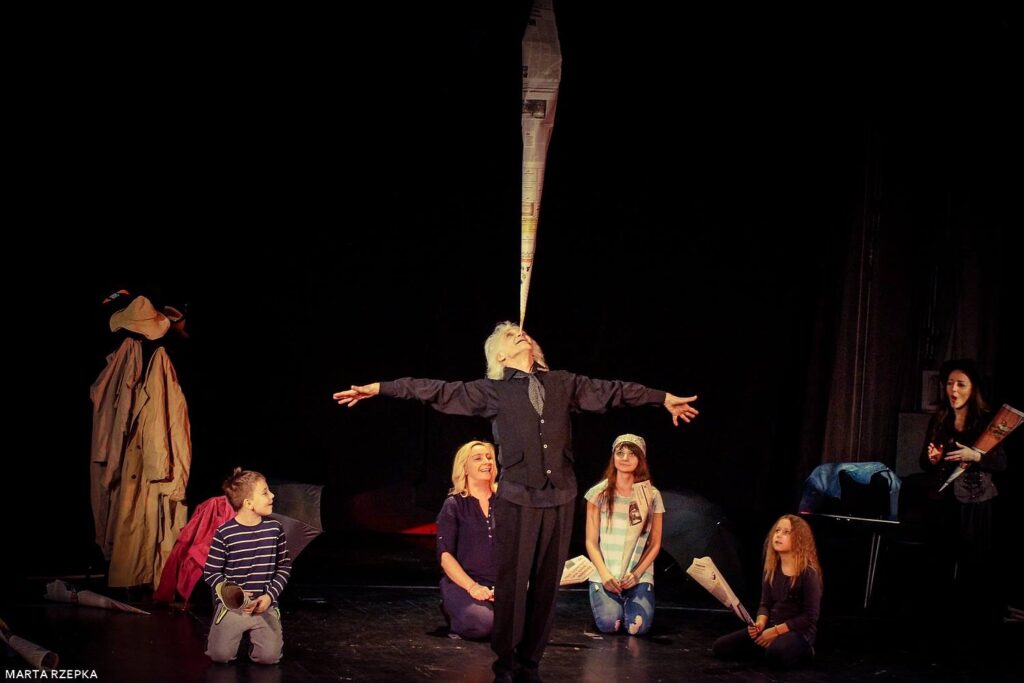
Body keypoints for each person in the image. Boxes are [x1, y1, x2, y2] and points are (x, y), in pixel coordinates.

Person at [334, 321, 698, 682]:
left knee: (546, 588)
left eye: (522, 332)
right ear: (500, 356)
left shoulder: (563, 383)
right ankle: (506, 666)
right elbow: (436, 391)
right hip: (517, 497)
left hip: (560, 496)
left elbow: (614, 391)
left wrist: (662, 397)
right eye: (511, 336)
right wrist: (380, 388)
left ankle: (530, 664)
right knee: (513, 584)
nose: (521, 334)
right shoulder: (493, 391)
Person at [919, 358, 1007, 622]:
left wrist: (976, 456)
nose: (953, 390)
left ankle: (973, 622)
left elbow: (1001, 462)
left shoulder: (986, 421)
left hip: (976, 500)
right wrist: (933, 459)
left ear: (973, 389)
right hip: (943, 500)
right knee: (939, 561)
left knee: (974, 563)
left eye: (960, 384)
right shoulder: (940, 419)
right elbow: (925, 462)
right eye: (949, 384)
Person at [203, 468, 292, 665]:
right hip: (234, 606)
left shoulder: (275, 529)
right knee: (220, 655)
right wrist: (234, 594)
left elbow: (284, 567)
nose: (272, 495)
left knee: (269, 658)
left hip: (264, 605)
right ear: (248, 503)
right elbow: (211, 572)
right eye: (265, 492)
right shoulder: (225, 533)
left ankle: (258, 638)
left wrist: (269, 596)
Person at [712, 514, 822, 668]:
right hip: (771, 627)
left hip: (797, 632)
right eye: (777, 531)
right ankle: (768, 647)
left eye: (786, 532)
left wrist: (775, 632)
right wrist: (760, 623)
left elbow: (810, 616)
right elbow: (765, 604)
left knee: (776, 655)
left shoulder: (808, 572)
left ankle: (803, 651)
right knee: (720, 647)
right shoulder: (771, 570)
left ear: (799, 539)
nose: (779, 535)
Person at [583, 433, 664, 636]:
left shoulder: (652, 495)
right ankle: (610, 601)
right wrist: (604, 575)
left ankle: (631, 599)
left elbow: (655, 543)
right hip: (606, 573)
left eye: (632, 454)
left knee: (637, 628)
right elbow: (591, 541)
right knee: (610, 624)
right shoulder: (598, 493)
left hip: (637, 574)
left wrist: (636, 574)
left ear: (641, 459)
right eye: (620, 453)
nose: (625, 458)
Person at [437, 440, 499, 639]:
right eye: (478, 458)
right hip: (464, 584)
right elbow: (445, 556)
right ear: (464, 468)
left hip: (500, 585)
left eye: (489, 457)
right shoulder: (454, 504)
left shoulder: (506, 502)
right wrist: (473, 587)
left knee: (527, 626)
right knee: (483, 624)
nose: (487, 462)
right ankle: (454, 613)